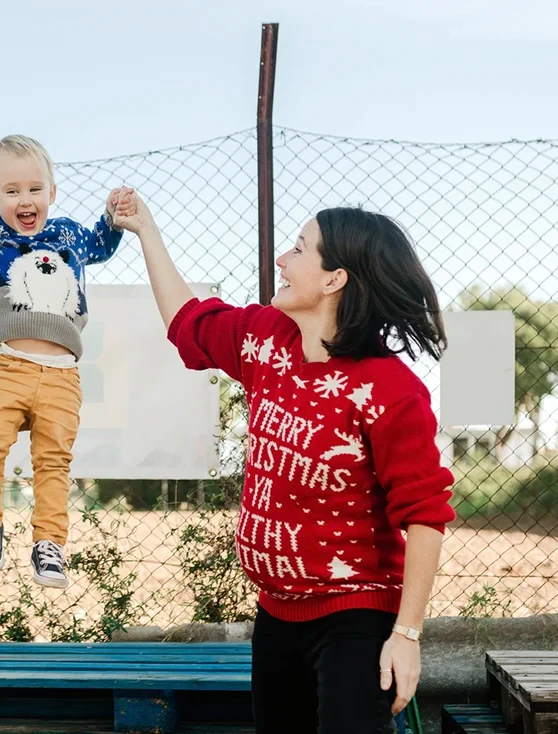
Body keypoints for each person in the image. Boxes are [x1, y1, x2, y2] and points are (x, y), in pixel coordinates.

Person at [112, 191, 456, 734]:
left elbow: (425, 515)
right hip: (276, 612)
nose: (281, 260)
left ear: (334, 279)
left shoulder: (389, 389)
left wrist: (406, 634)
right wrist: (146, 230)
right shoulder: (265, 340)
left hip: (355, 616)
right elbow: (186, 321)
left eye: (298, 249)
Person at [0, 133, 133, 588]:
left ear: (51, 193)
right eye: (11, 191)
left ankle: (49, 544)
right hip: (10, 366)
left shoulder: (68, 234)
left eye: (35, 189)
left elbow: (103, 243)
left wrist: (113, 215)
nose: (25, 200)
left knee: (53, 461)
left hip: (62, 376)